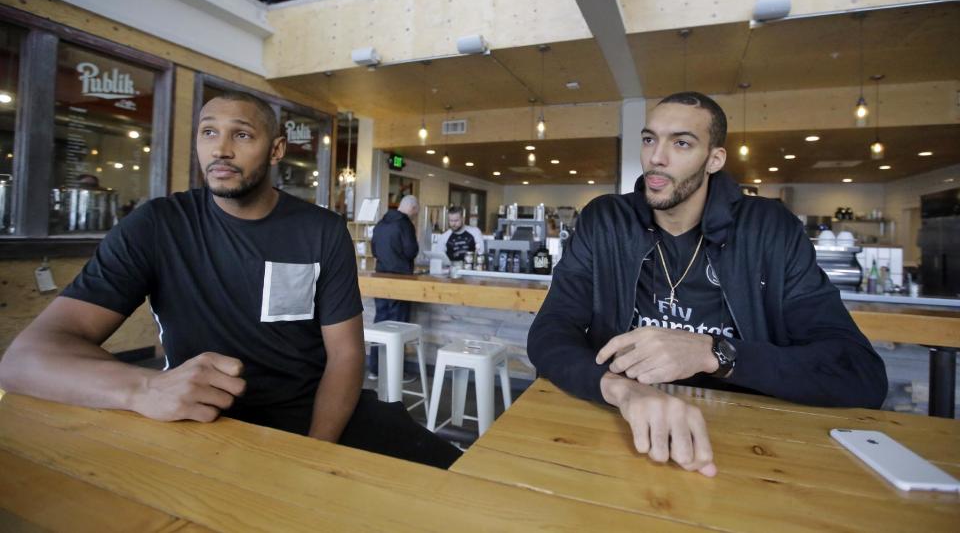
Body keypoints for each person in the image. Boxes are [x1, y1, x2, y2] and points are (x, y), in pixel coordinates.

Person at [0, 91, 460, 469]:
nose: (220, 149)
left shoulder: (321, 230)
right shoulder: (158, 225)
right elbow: (22, 362)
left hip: (318, 416)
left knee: (455, 483)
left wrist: (314, 454)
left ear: (276, 149)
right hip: (201, 421)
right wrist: (143, 388)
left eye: (241, 134)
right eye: (208, 133)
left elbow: (345, 355)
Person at [527, 91, 887, 478]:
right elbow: (550, 331)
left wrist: (713, 352)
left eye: (681, 142)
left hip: (750, 444)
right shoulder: (606, 220)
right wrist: (620, 388)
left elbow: (859, 374)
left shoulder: (769, 229)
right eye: (650, 139)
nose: (656, 157)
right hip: (622, 429)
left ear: (714, 158)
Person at [368, 195, 420, 378]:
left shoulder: (381, 223)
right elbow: (411, 250)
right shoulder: (405, 224)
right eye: (416, 211)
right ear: (412, 208)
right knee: (398, 325)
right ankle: (394, 373)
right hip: (400, 280)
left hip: (380, 276)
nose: (416, 215)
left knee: (381, 321)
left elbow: (373, 249)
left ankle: (375, 369)